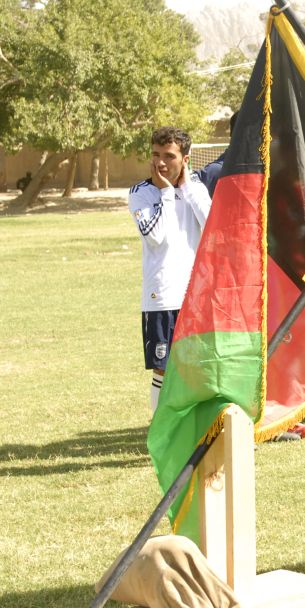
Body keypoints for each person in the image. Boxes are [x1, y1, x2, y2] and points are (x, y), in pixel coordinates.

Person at [129, 127, 212, 412]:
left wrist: (186, 189)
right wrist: (165, 192)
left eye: (168, 156)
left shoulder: (196, 190)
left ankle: (196, 433)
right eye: (155, 154)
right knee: (163, 372)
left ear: (185, 159)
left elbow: (213, 228)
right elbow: (155, 236)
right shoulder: (141, 193)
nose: (160, 162)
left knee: (197, 369)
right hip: (161, 297)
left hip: (195, 297)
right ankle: (162, 437)